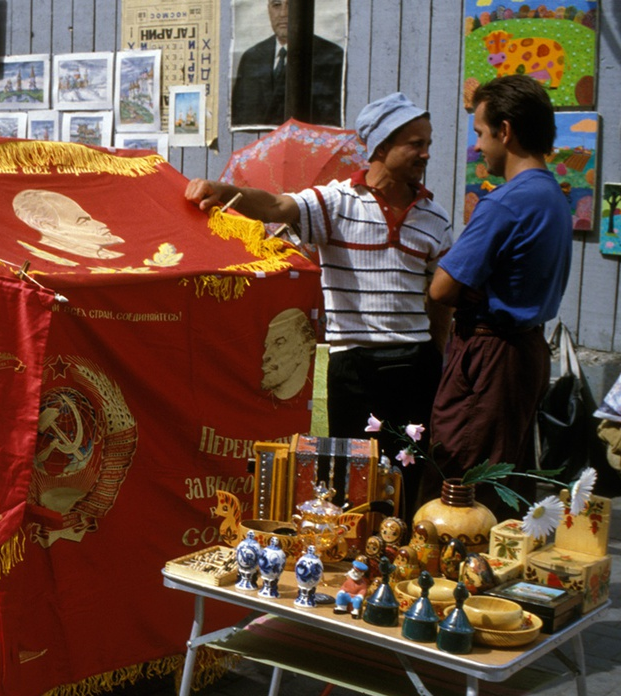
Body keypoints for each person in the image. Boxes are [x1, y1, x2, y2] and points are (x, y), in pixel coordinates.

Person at [186, 92, 453, 515]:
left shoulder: (435, 217)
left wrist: (438, 356)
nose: (425, 153)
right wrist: (223, 191)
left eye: (427, 143)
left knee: (407, 477)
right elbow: (277, 205)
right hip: (356, 369)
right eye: (415, 143)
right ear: (381, 147)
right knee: (353, 483)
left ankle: (394, 560)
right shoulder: (337, 202)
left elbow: (441, 300)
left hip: (415, 366)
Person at [426, 75, 571, 518]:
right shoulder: (553, 197)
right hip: (527, 351)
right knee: (505, 474)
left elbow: (442, 287)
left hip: (489, 354)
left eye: (480, 133)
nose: (478, 147)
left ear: (504, 132)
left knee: (464, 477)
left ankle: (458, 576)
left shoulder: (505, 203)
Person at [231, 0, 344, 128]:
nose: (283, 14)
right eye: (277, 5)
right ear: (269, 10)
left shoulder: (331, 56)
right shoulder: (251, 57)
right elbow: (239, 118)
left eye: (291, 5)